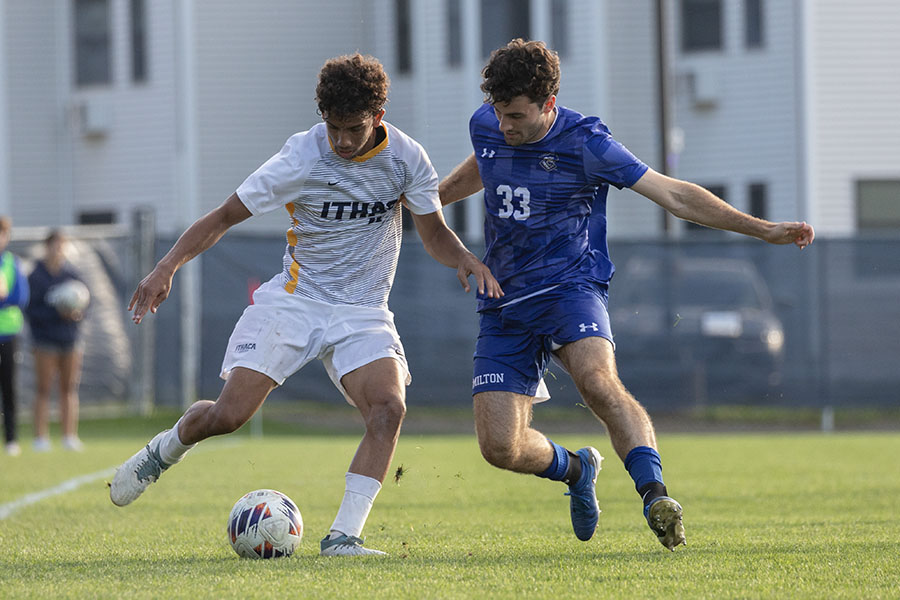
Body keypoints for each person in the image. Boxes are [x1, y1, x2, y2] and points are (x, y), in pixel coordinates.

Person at [109, 54, 501, 557]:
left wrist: (465, 259)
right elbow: (225, 215)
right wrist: (167, 266)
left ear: (379, 115)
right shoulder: (302, 156)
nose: (341, 140)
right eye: (332, 127)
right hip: (296, 302)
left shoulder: (408, 158)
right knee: (229, 416)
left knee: (389, 409)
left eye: (353, 128)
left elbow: (435, 235)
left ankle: (343, 537)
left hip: (362, 312)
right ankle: (164, 450)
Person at [438, 39, 815, 551]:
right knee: (499, 448)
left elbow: (676, 196)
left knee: (596, 381)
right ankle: (576, 468)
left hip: (571, 287)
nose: (505, 126)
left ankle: (654, 494)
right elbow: (476, 169)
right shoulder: (488, 124)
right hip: (504, 301)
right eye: (500, 114)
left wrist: (764, 229)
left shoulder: (588, 143)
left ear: (549, 105)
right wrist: (418, 200)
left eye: (517, 116)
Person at [25, 230, 88, 452]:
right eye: (55, 245)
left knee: (69, 388)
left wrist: (75, 313)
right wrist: (56, 312)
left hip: (70, 339)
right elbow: (31, 310)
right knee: (43, 388)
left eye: (62, 246)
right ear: (47, 247)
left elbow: (85, 304)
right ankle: (40, 437)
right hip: (45, 340)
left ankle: (69, 435)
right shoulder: (36, 276)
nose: (59, 250)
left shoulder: (72, 274)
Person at [0, 217, 29, 456]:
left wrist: (3, 296)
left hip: (8, 333)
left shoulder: (11, 263)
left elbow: (21, 298)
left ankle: (11, 439)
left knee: (9, 387)